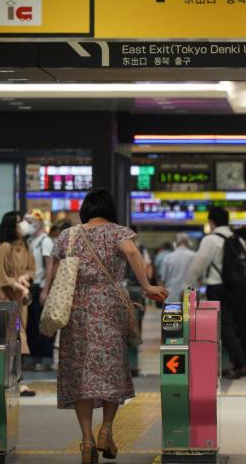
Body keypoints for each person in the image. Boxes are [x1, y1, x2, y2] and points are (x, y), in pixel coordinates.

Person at [45, 189, 168, 463]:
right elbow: (131, 251)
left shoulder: (68, 235)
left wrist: (49, 295)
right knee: (112, 368)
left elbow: (54, 272)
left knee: (79, 374)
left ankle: (86, 440)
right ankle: (106, 429)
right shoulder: (117, 232)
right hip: (109, 305)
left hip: (76, 308)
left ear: (85, 210)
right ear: (110, 209)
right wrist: (146, 286)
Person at [185, 207, 246, 379]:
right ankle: (240, 362)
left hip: (218, 287)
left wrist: (187, 286)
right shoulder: (238, 239)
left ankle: (241, 364)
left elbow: (198, 266)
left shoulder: (210, 240)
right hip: (240, 288)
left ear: (211, 222)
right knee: (239, 326)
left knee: (224, 327)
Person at [0, 211, 36, 396]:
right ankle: (13, 381)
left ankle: (16, 380)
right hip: (6, 299)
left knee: (18, 339)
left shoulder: (25, 246)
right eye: (19, 222)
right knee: (11, 340)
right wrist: (19, 286)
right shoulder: (4, 247)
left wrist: (25, 278)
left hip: (20, 301)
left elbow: (32, 269)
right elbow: (2, 277)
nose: (23, 225)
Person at [22, 209, 56, 372]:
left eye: (30, 222)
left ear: (39, 222)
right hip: (30, 287)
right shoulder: (29, 241)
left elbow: (49, 266)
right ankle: (33, 357)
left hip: (40, 287)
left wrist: (45, 290)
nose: (27, 225)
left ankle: (45, 358)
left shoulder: (45, 241)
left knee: (42, 325)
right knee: (31, 325)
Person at [159, 233, 197, 301]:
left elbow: (162, 280)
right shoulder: (195, 256)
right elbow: (200, 278)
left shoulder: (168, 258)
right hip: (190, 296)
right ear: (189, 242)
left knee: (172, 308)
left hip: (171, 296)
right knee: (189, 308)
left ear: (175, 243)